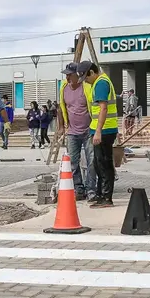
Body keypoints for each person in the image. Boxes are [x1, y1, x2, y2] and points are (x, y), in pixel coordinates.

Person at [79, 61, 118, 208]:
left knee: (104, 164)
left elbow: (103, 109)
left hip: (105, 130)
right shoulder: (99, 82)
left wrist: (98, 132)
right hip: (101, 129)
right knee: (99, 163)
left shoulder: (101, 83)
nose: (86, 81)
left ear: (91, 72)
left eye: (86, 77)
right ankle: (102, 195)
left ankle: (106, 197)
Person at [58, 62, 96, 201]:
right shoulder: (63, 88)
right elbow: (60, 108)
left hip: (88, 131)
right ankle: (79, 189)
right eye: (66, 75)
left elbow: (95, 106)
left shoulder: (86, 88)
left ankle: (91, 190)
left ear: (77, 75)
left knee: (91, 162)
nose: (67, 78)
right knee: (73, 162)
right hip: (72, 132)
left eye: (70, 75)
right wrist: (62, 126)